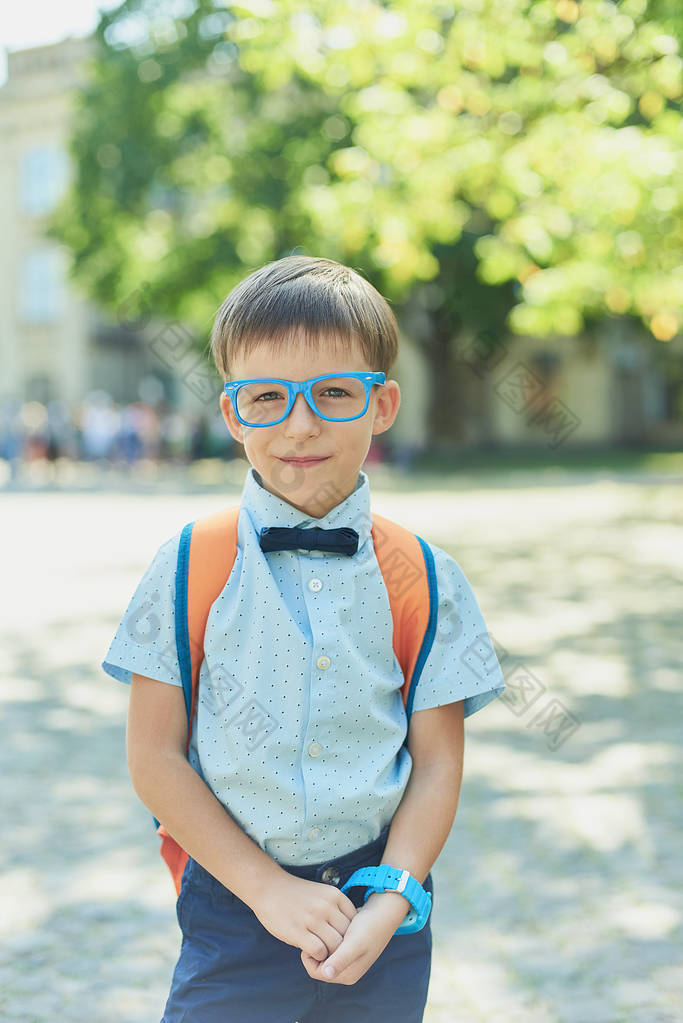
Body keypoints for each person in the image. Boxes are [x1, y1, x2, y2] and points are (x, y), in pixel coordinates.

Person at [102, 255, 506, 1022]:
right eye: (266, 397)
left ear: (381, 403)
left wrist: (396, 893)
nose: (300, 424)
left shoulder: (423, 574)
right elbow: (153, 756)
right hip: (234, 903)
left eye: (333, 393)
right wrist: (265, 887)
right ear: (231, 412)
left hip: (379, 902)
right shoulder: (190, 563)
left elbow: (436, 760)